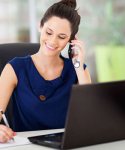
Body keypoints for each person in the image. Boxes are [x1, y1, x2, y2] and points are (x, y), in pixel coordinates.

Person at [0, 0, 91, 143]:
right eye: (49, 32)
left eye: (61, 37)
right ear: (40, 26)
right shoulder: (15, 68)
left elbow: (90, 117)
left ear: (71, 40)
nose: (53, 41)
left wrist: (78, 66)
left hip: (66, 144)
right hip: (26, 145)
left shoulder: (78, 70)